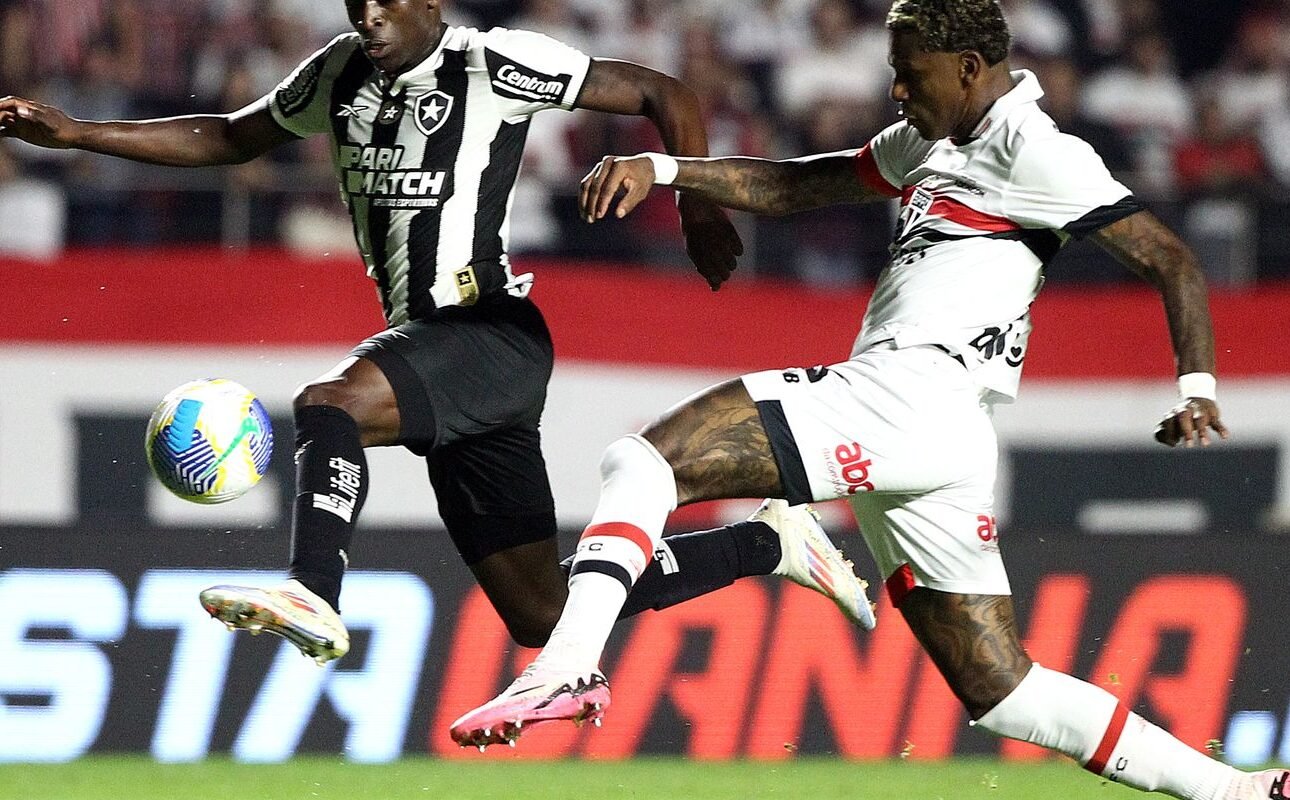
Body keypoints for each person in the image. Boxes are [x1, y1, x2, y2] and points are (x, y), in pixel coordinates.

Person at [451, 2, 1287, 798]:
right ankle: (1236, 788)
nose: (896, 88)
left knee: (646, 460)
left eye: (910, 71)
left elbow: (1169, 257)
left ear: (968, 67)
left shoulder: (1036, 151)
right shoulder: (935, 139)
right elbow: (800, 187)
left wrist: (1197, 384)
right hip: (939, 431)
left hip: (910, 393)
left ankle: (568, 666)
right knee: (1005, 692)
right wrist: (667, 168)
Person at [0, 0, 877, 667]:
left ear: (430, 2)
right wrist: (79, 133)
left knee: (329, 404)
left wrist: (696, 203)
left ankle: (313, 591)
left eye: (386, 1)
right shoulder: (338, 71)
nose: (369, 16)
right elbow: (230, 137)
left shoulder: (494, 62)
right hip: (444, 350)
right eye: (356, 2)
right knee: (543, 613)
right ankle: (772, 541)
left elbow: (663, 90)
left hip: (487, 327)